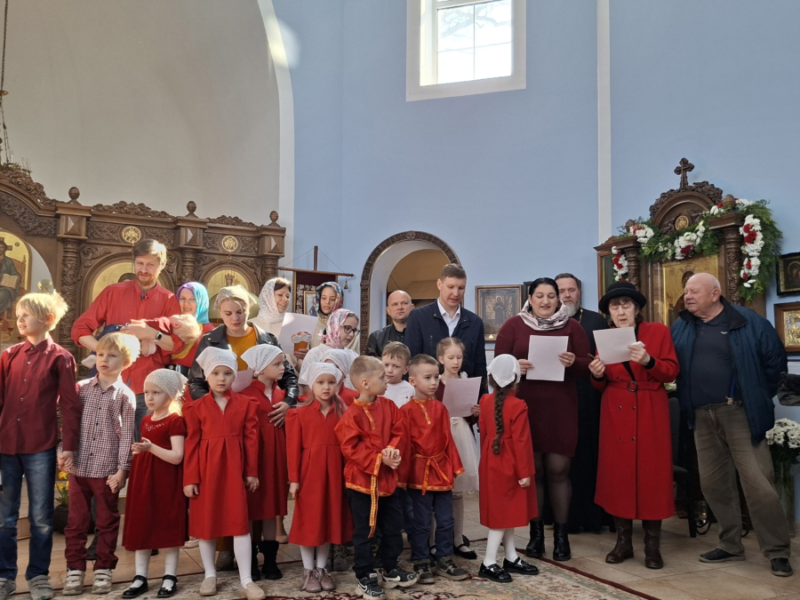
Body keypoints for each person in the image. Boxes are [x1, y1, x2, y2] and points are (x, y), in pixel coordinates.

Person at [671, 273, 792, 577]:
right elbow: (673, 364)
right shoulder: (682, 326)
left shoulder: (749, 322)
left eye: (694, 291)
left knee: (759, 485)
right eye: (686, 291)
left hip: (739, 413)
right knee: (713, 484)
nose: (687, 296)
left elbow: (775, 364)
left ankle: (777, 551)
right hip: (701, 415)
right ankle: (730, 544)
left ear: (715, 294)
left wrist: (754, 395)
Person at [494, 277, 591, 562]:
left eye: (551, 296)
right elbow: (498, 366)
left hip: (561, 408)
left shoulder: (572, 326)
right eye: (540, 296)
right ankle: (536, 535)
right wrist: (515, 366)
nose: (546, 301)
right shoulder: (513, 325)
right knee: (533, 471)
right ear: (530, 298)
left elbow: (587, 364)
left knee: (559, 470)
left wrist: (574, 362)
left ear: (558, 299)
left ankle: (562, 537)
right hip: (526, 409)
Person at [588, 282, 679, 570]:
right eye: (615, 306)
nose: (621, 311)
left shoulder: (658, 332)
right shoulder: (605, 338)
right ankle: (623, 543)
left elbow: (671, 371)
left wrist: (650, 361)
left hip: (650, 408)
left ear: (636, 308)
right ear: (609, 312)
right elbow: (601, 384)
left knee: (653, 475)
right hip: (616, 410)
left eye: (626, 304)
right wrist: (597, 374)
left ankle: (652, 546)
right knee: (619, 474)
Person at [0, 291, 81, 600]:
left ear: (47, 320)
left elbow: (71, 406)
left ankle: (38, 577)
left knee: (42, 519)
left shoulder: (61, 358)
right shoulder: (8, 356)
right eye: (19, 314)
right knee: (5, 519)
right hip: (6, 445)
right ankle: (5, 577)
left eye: (27, 315)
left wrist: (68, 446)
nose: (20, 319)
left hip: (41, 447)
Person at [71, 239, 182, 438]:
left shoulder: (169, 300)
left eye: (150, 265)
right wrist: (104, 350)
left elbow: (175, 345)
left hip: (148, 389)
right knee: (105, 443)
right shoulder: (113, 292)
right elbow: (79, 329)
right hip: (109, 385)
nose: (144, 270)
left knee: (142, 446)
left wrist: (151, 333)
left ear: (162, 265)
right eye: (140, 263)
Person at [183, 347, 265, 600]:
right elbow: (191, 444)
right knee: (206, 523)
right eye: (216, 373)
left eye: (227, 373)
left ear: (234, 376)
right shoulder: (195, 408)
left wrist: (251, 471)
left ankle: (246, 579)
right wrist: (190, 478)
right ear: (207, 376)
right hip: (206, 471)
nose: (221, 378)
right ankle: (209, 575)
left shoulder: (246, 404)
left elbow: (251, 439)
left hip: (235, 470)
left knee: (240, 523)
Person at [335, 356, 419, 599]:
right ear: (365, 383)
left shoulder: (389, 406)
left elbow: (399, 431)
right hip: (361, 484)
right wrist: (380, 459)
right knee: (365, 531)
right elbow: (350, 448)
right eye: (382, 377)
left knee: (393, 527)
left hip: (388, 482)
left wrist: (392, 450)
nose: (387, 380)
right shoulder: (351, 416)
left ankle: (390, 568)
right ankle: (364, 576)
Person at [62, 333, 140, 596]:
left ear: (125, 362)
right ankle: (74, 569)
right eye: (101, 354)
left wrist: (122, 470)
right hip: (79, 467)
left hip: (107, 471)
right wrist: (64, 451)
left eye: (112, 356)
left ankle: (104, 568)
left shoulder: (125, 396)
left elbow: (127, 436)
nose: (104, 359)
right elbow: (69, 424)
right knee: (76, 522)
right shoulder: (81, 388)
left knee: (106, 520)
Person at [121, 369, 189, 599]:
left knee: (167, 527)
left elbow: (177, 456)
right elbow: (147, 449)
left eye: (156, 392)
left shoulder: (175, 421)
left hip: (166, 482)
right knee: (143, 525)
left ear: (170, 395)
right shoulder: (145, 420)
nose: (149, 397)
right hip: (144, 481)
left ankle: (170, 576)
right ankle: (140, 577)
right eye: (147, 392)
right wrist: (140, 450)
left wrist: (150, 448)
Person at [401, 354, 469, 584]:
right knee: (421, 522)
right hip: (418, 473)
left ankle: (444, 559)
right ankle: (421, 560)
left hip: (441, 472)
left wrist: (454, 467)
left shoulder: (441, 408)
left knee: (446, 520)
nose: (433, 382)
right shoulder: (405, 411)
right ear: (412, 381)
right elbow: (404, 445)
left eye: (436, 377)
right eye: (428, 377)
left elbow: (448, 440)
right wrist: (402, 476)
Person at [286, 363, 353, 593]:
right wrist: (294, 480)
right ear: (311, 385)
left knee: (327, 520)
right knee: (309, 521)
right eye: (321, 382)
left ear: (338, 384)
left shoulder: (344, 413)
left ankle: (322, 569)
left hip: (334, 474)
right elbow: (293, 449)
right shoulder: (298, 414)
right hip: (309, 474)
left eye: (331, 382)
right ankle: (308, 570)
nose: (326, 387)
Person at [555, 273, 609, 533]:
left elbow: (605, 357)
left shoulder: (596, 320)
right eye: (561, 291)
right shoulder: (547, 321)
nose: (567, 295)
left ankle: (592, 516)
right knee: (561, 460)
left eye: (572, 290)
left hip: (590, 397)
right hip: (559, 397)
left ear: (579, 292)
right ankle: (564, 517)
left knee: (589, 456)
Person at [477, 355, 539, 583]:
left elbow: (484, 434)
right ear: (516, 379)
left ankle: (511, 556)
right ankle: (488, 562)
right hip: (510, 465)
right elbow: (522, 443)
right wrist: (525, 472)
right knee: (502, 516)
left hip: (491, 462)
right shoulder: (518, 406)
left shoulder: (484, 400)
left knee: (506, 512)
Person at [240, 345, 290, 582]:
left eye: (282, 363)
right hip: (255, 458)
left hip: (277, 457)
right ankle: (250, 560)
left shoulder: (282, 395)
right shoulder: (245, 394)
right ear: (260, 368)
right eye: (276, 364)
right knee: (251, 508)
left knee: (272, 507)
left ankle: (270, 560)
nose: (282, 368)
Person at [405, 264, 487, 391]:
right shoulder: (418, 317)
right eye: (450, 287)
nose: (456, 293)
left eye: (461, 288)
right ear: (439, 284)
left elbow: (480, 366)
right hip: (427, 394)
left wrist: (482, 398)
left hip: (465, 395)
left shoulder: (475, 322)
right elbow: (411, 361)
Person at [435, 338, 479, 560]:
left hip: (461, 437)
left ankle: (458, 539)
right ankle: (435, 541)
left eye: (459, 357)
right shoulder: (435, 383)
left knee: (457, 492)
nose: (455, 362)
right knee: (437, 491)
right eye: (451, 357)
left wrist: (474, 413)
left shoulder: (465, 381)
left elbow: (470, 417)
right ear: (441, 359)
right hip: (441, 438)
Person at [298, 308, 360, 391]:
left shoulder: (354, 355)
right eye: (347, 328)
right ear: (335, 326)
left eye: (354, 330)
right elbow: (306, 387)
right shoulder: (315, 353)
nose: (351, 334)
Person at [170, 282, 215, 377]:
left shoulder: (210, 332)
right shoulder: (170, 325)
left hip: (192, 383)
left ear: (201, 301)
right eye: (182, 298)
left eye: (193, 299)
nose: (186, 303)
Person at [307, 282, 359, 352]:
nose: (327, 302)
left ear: (339, 300)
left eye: (332, 299)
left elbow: (349, 354)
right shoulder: (311, 321)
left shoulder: (349, 324)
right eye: (323, 298)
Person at [366, 291, 414, 357]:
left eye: (404, 303)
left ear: (412, 307)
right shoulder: (376, 337)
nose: (400, 307)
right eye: (395, 304)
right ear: (388, 310)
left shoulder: (424, 334)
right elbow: (371, 363)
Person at [382, 342, 415, 408]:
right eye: (386, 365)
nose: (389, 370)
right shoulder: (376, 387)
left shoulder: (410, 389)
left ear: (405, 370)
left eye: (396, 366)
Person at [0, 238, 21, 314]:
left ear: (5, 249)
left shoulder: (8, 261)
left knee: (3, 294)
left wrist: (17, 277)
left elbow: (14, 273)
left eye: (2, 247)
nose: (0, 249)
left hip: (4, 288)